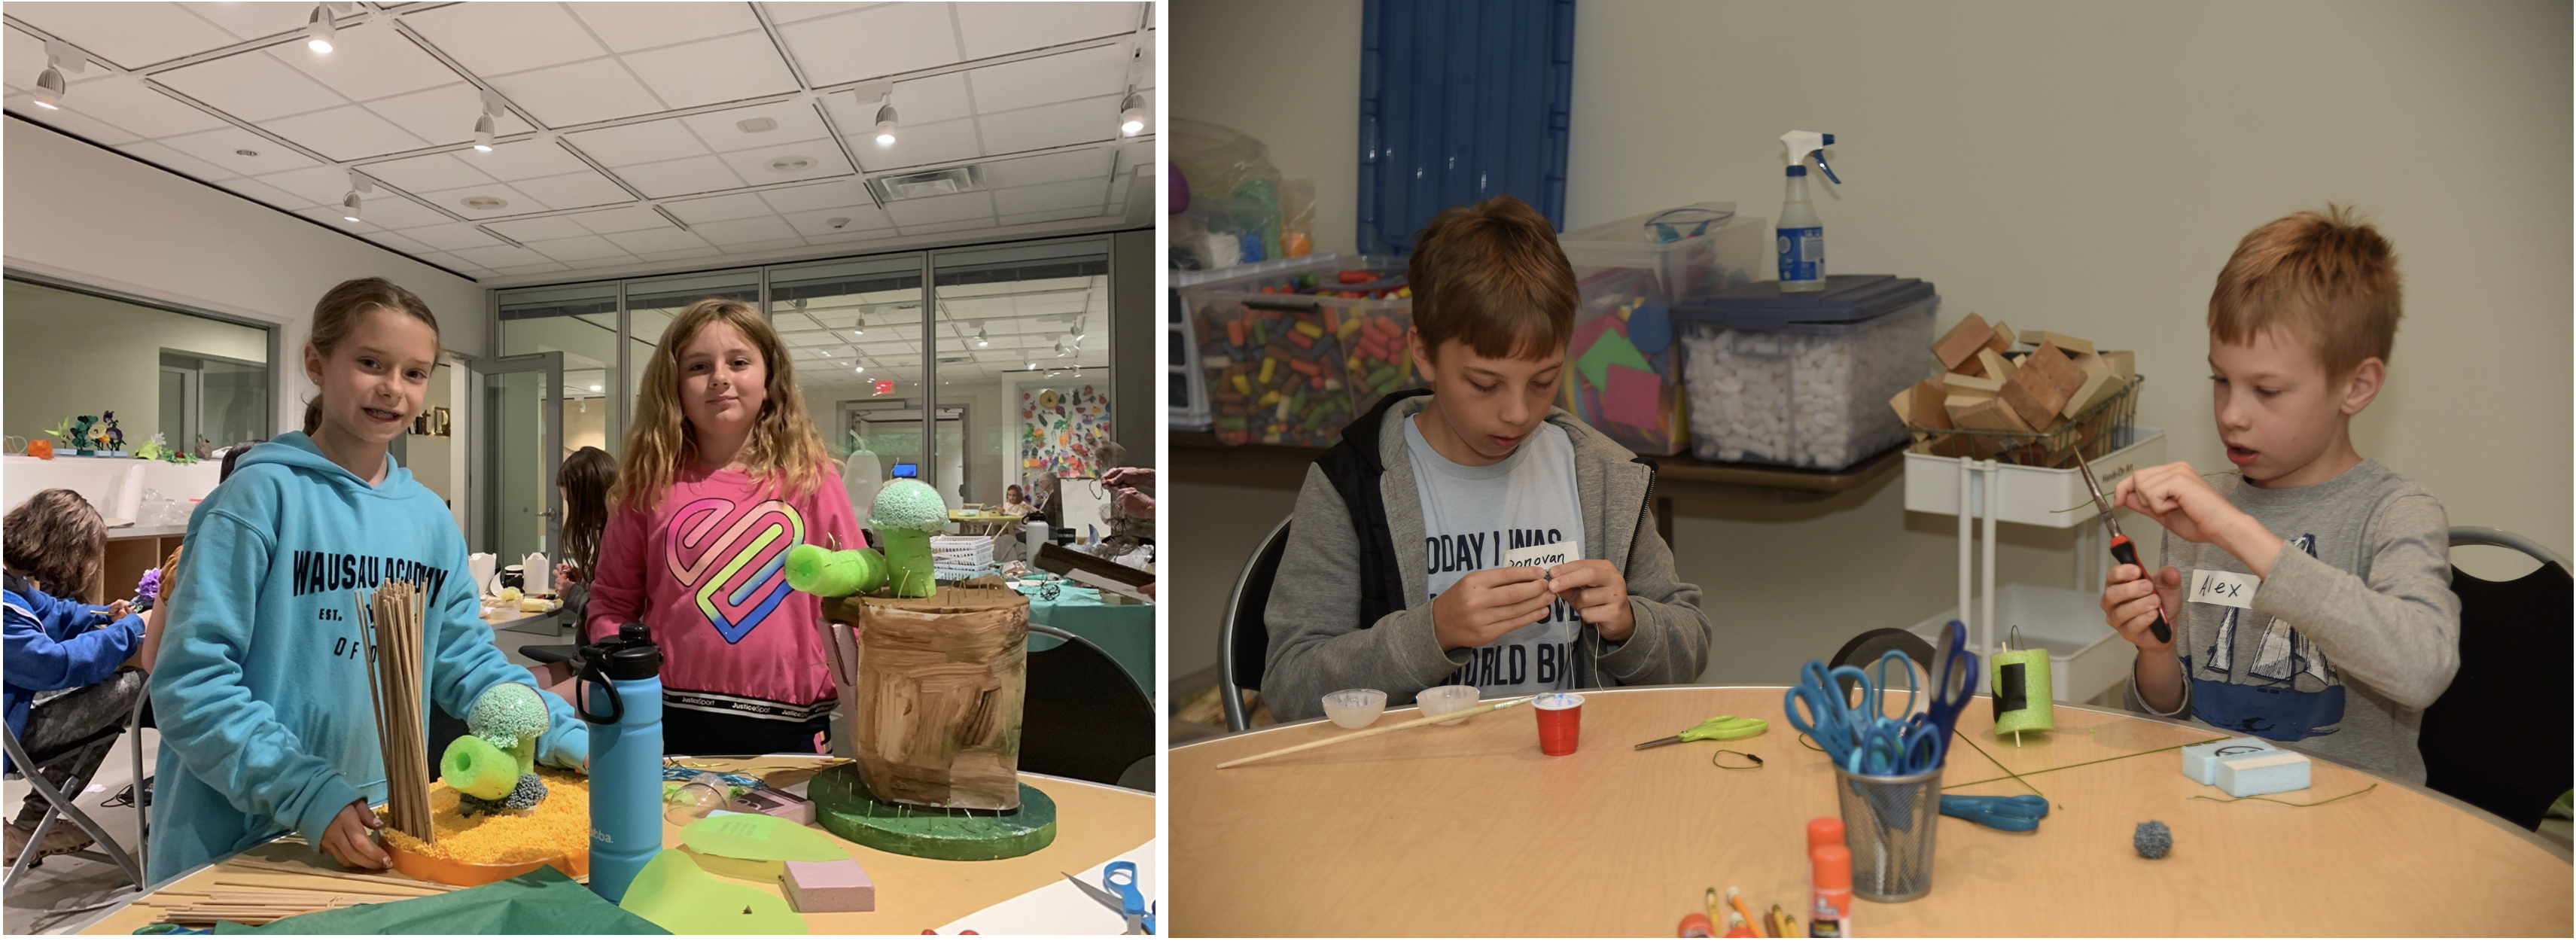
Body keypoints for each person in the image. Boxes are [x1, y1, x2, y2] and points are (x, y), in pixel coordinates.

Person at [149, 278, 592, 883]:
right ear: (316, 362)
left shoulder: (431, 520)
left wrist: (557, 731)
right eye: (370, 363)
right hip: (239, 837)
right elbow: (191, 687)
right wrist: (302, 789)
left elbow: (465, 665)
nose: (393, 388)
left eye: (415, 373)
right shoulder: (256, 499)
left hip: (376, 826)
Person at [1262, 195, 1711, 721]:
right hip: (1406, 787)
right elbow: (1291, 686)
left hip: (1569, 774)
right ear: (1423, 352)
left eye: (1544, 381)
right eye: (1483, 383)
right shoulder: (1350, 484)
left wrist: (1631, 623)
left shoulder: (1603, 476)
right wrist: (1431, 633)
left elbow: (1691, 646)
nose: (1518, 413)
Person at [2101, 206, 2459, 783]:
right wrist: (2157, 654)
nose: (2232, 415)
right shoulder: (2201, 514)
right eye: (2221, 380)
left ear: (2357, 386)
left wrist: (2235, 530)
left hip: (2355, 836)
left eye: (2266, 390)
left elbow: (2422, 668)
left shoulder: (2396, 514)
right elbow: (2168, 723)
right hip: (2214, 820)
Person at [587, 299, 862, 757]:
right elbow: (613, 599)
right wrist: (624, 668)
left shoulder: (811, 478)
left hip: (794, 722)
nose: (719, 377)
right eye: (699, 365)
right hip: (669, 714)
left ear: (770, 381)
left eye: (738, 362)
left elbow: (852, 592)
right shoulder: (647, 484)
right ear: (672, 386)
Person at [2, 489, 149, 863]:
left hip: (13, 711)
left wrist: (103, 617)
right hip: (9, 733)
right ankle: (35, 823)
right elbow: (54, 666)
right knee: (131, 688)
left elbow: (52, 613)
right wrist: (129, 631)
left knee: (115, 697)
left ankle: (34, 824)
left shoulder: (12, 580)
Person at [551, 446, 616, 627]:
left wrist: (574, 595)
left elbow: (615, 614)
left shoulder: (620, 540)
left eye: (573, 503)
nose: (574, 513)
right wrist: (583, 583)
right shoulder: (611, 529)